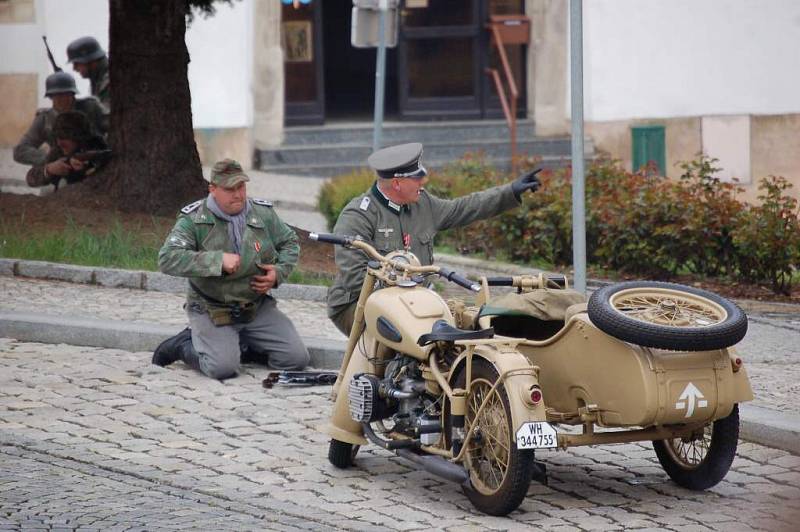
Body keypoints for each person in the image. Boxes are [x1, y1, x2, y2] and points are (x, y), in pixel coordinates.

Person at [327, 142, 541, 335]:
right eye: (417, 177)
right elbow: (356, 278)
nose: (424, 181)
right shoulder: (359, 215)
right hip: (358, 305)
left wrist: (510, 191)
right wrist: (404, 304)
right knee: (413, 334)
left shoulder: (423, 204)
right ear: (397, 183)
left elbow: (463, 208)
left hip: (415, 301)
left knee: (464, 326)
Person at [153, 159, 310, 380]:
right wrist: (216, 261)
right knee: (222, 369)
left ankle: (238, 346)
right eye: (229, 189)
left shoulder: (262, 214)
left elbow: (290, 242)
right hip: (211, 307)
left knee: (296, 359)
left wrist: (279, 272)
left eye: (241, 187)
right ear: (213, 189)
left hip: (254, 307)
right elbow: (167, 258)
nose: (237, 194)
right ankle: (184, 345)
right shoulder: (194, 219)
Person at [13, 71, 107, 172]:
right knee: (48, 187)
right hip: (64, 169)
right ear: (51, 97)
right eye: (57, 95)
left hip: (96, 164)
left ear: (73, 94)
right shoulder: (45, 119)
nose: (63, 99)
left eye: (67, 94)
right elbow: (20, 150)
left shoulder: (91, 108)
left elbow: (112, 128)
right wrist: (51, 159)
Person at [25, 110, 110, 188]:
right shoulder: (58, 151)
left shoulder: (97, 147)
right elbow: (31, 179)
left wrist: (83, 171)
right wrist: (49, 170)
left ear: (79, 138)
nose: (59, 143)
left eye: (64, 137)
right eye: (58, 137)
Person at [67, 36, 110, 111]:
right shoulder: (98, 80)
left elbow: (109, 115)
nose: (74, 69)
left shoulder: (111, 81)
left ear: (92, 62)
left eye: (77, 64)